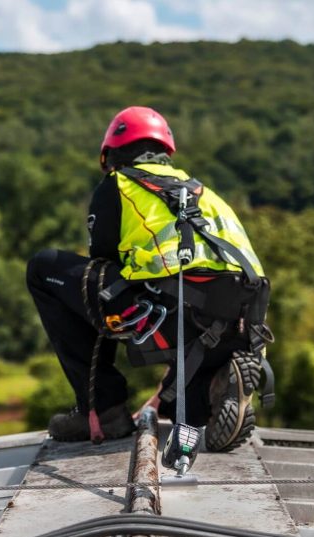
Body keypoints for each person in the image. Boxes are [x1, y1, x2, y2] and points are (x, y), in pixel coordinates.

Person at [26, 106, 272, 452]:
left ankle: (101, 410)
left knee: (46, 268)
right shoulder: (205, 192)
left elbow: (103, 263)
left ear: (109, 154)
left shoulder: (119, 184)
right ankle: (220, 382)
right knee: (177, 407)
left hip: (165, 309)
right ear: (165, 153)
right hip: (235, 323)